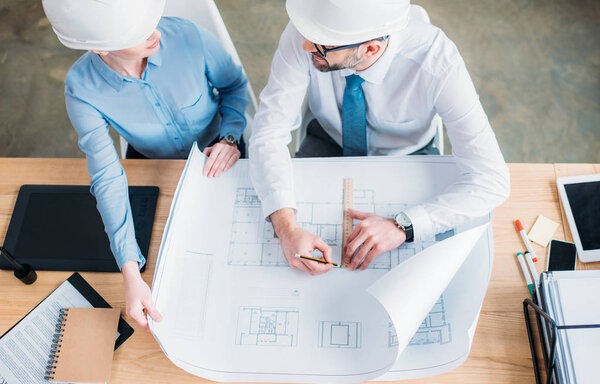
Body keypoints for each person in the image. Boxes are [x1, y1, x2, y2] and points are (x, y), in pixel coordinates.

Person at [249, 0, 509, 275]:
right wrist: (287, 228)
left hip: (407, 154)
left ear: (371, 48)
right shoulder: (311, 31)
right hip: (329, 137)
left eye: (321, 48)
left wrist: (404, 226)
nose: (305, 48)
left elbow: (492, 180)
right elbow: (269, 130)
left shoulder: (439, 63)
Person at [42, 0, 249, 328]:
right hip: (154, 168)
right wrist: (130, 272)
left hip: (222, 150)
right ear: (99, 49)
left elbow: (235, 88)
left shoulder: (186, 36)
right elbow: (107, 175)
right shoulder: (81, 89)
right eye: (135, 33)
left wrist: (230, 138)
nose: (155, 33)